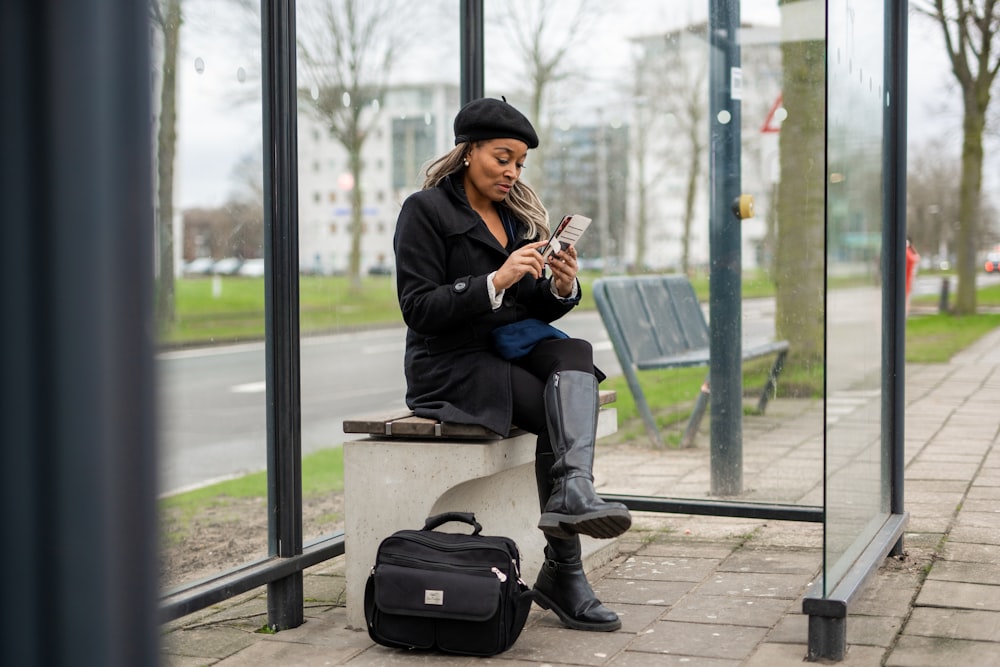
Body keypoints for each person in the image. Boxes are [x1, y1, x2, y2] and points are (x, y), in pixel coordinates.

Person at [393, 97, 631, 632]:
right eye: (502, 157)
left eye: (520, 163)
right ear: (469, 150)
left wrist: (560, 287)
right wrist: (492, 282)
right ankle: (565, 572)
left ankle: (574, 492)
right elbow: (418, 308)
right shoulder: (425, 211)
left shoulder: (515, 217)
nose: (511, 172)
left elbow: (529, 307)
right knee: (555, 409)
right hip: (450, 363)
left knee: (576, 352)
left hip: (507, 346)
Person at [905, 237, 920, 316]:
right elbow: (917, 257)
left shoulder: (905, 252)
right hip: (907, 281)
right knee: (906, 301)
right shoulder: (907, 252)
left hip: (908, 280)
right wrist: (912, 248)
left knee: (906, 300)